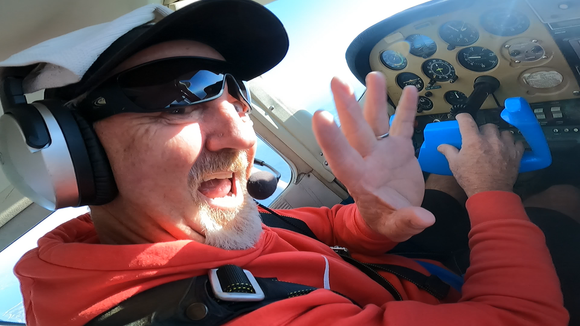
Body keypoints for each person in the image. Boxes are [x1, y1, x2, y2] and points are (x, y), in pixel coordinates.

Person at [0, 0, 572, 325]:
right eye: (179, 96)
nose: (239, 133)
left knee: (446, 169)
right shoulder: (209, 315)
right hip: (450, 298)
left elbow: (303, 228)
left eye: (233, 92)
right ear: (67, 151)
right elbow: (524, 318)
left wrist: (369, 223)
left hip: (394, 278)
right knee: (556, 197)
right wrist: (493, 196)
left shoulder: (177, 224)